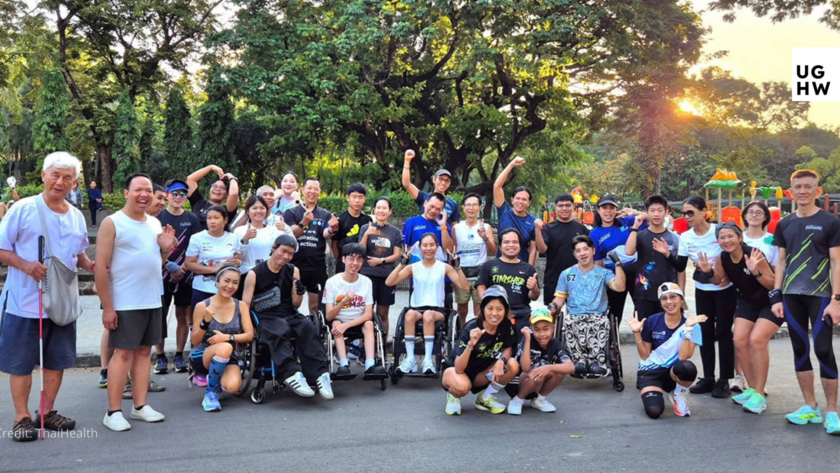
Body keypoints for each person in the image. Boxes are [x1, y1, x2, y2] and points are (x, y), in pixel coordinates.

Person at [0, 152, 93, 441]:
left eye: (67, 177)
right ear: (43, 175)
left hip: (61, 303)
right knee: (21, 362)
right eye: (55, 174)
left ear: (75, 183)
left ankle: (46, 411)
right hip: (24, 302)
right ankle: (22, 416)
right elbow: (2, 249)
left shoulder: (76, 216)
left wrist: (95, 266)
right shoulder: (23, 209)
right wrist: (26, 265)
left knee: (57, 360)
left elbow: (79, 256)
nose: (60, 181)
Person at [96, 173, 177, 432]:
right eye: (138, 189)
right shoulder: (113, 222)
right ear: (126, 192)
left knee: (144, 353)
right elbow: (100, 267)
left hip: (153, 298)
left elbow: (158, 262)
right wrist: (108, 306)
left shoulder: (154, 223)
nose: (144, 194)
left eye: (149, 190)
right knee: (123, 354)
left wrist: (166, 249)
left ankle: (140, 406)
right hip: (125, 301)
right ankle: (113, 411)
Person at [771, 169, 840, 434]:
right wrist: (776, 295)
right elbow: (782, 262)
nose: (802, 191)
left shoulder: (830, 222)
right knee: (800, 349)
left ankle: (832, 412)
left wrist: (836, 300)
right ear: (790, 192)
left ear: (817, 191)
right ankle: (809, 406)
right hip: (791, 296)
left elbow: (836, 262)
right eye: (797, 187)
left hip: (821, 296)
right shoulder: (785, 223)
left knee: (823, 350)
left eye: (808, 187)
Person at [697, 223, 779, 414]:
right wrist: (707, 271)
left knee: (756, 340)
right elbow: (719, 280)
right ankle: (751, 389)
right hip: (748, 302)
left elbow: (773, 284)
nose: (726, 241)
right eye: (722, 237)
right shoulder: (723, 257)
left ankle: (760, 394)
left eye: (730, 236)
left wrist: (755, 271)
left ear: (740, 237)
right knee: (739, 340)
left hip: (770, 302)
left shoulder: (754, 254)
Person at [241, 235, 334, 400]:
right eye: (283, 251)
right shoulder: (254, 274)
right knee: (280, 328)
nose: (286, 257)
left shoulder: (293, 270)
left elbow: (296, 304)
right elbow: (245, 305)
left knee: (307, 326)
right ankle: (291, 373)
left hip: (288, 313)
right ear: (274, 247)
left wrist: (299, 292)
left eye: (290, 254)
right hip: (266, 316)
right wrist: (247, 331)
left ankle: (321, 374)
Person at [675, 196, 737, 398]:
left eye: (691, 212)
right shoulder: (685, 237)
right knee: (706, 334)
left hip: (725, 290)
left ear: (704, 211)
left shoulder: (719, 232)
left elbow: (732, 253)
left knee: (725, 334)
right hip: (702, 290)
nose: (687, 216)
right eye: (684, 213)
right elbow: (680, 266)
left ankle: (724, 380)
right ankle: (708, 377)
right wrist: (666, 254)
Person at [386, 233, 468, 375]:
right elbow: (389, 282)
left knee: (428, 315)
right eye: (425, 245)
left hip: (437, 310)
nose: (428, 248)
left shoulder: (444, 267)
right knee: (409, 315)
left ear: (437, 247)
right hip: (417, 308)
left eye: (432, 245)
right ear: (419, 247)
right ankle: (410, 359)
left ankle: (428, 360)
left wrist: (457, 267)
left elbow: (464, 286)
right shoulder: (414, 267)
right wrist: (401, 263)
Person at [629, 283, 706, 419]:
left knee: (688, 368)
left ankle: (677, 394)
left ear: (681, 300)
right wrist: (636, 332)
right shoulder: (652, 320)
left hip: (673, 372)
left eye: (673, 297)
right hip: (650, 371)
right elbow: (645, 355)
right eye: (664, 298)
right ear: (661, 302)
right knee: (654, 411)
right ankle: (655, 391)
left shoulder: (694, 326)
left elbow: (683, 357)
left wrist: (687, 329)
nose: (669, 302)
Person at [550, 235, 625, 375]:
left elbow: (620, 287)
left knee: (601, 323)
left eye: (586, 249)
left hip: (597, 314)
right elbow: (559, 298)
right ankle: (578, 361)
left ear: (593, 251)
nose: (582, 253)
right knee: (570, 323)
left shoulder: (604, 273)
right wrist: (552, 307)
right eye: (578, 251)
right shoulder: (566, 274)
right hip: (574, 315)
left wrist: (618, 264)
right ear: (574, 254)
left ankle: (596, 362)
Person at [441, 285, 520, 415]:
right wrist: (470, 345)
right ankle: (454, 396)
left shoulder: (506, 326)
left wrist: (501, 360)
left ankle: (485, 398)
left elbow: (507, 348)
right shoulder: (471, 328)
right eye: (490, 308)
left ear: (505, 310)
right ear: (483, 309)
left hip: (481, 373)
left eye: (500, 309)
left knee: (512, 364)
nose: (495, 313)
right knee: (462, 387)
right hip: (457, 372)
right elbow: (459, 368)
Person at [190, 265, 254, 412]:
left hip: (228, 354)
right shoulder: (202, 306)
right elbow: (195, 341)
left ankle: (216, 379)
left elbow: (249, 335)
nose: (230, 286)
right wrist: (205, 321)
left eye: (235, 282)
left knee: (232, 387)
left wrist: (227, 337)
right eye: (226, 281)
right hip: (202, 355)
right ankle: (210, 393)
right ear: (217, 281)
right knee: (225, 347)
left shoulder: (241, 306)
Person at [155, 179, 202, 376]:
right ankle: (160, 357)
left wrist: (181, 269)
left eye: (182, 194)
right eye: (174, 193)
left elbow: (197, 246)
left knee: (183, 316)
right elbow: (152, 246)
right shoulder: (157, 217)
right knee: (159, 316)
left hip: (186, 274)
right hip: (160, 274)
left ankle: (179, 355)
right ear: (167, 195)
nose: (178, 197)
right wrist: (168, 266)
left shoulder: (191, 219)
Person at [730, 200, 779, 392]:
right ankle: (739, 376)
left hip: (765, 294)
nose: (754, 215)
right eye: (751, 212)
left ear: (766, 217)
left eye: (759, 213)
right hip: (741, 294)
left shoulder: (771, 241)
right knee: (739, 336)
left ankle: (759, 384)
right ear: (745, 215)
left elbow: (776, 269)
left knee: (759, 339)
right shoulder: (737, 238)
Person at [323, 243, 386, 376]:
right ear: (344, 259)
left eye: (359, 259)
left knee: (369, 324)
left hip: (359, 320)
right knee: (336, 325)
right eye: (351, 258)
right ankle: (343, 364)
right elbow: (328, 316)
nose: (355, 263)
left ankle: (370, 364)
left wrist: (347, 325)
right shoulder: (332, 282)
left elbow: (368, 314)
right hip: (338, 319)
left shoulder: (366, 282)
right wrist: (344, 302)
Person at [284, 177, 338, 315]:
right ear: (302, 191)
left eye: (316, 189)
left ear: (320, 192)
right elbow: (291, 234)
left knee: (316, 307)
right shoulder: (291, 213)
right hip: (295, 266)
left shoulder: (325, 214)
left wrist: (332, 228)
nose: (312, 191)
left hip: (317, 267)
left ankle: (316, 332)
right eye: (309, 188)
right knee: (293, 304)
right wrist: (304, 222)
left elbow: (326, 234)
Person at [590, 195, 647, 325]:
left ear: (616, 210)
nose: (608, 211)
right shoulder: (595, 233)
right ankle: (612, 343)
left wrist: (635, 213)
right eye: (604, 208)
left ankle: (643, 340)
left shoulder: (627, 221)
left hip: (636, 271)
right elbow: (598, 263)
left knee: (642, 309)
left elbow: (658, 220)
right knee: (614, 313)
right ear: (598, 210)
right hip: (613, 274)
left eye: (612, 208)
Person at [624, 195, 682, 320]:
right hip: (644, 293)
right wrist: (635, 227)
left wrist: (680, 293)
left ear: (666, 212)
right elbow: (629, 251)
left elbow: (680, 269)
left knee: (669, 333)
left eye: (660, 210)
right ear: (646, 213)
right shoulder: (639, 235)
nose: (656, 214)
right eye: (652, 210)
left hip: (668, 295)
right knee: (644, 331)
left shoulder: (675, 238)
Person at [508, 308, 575, 415]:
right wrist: (527, 339)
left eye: (545, 329)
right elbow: (525, 367)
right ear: (531, 329)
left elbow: (571, 367)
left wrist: (548, 367)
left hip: (537, 381)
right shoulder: (527, 339)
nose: (542, 334)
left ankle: (538, 400)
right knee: (537, 373)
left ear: (553, 328)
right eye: (537, 330)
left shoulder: (554, 343)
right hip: (517, 383)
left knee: (557, 372)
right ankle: (517, 399)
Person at [477, 228, 540, 327]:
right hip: (496, 313)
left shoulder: (528, 269)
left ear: (520, 245)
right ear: (500, 246)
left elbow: (534, 296)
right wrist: (488, 305)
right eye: (506, 242)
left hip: (521, 313)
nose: (511, 245)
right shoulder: (488, 266)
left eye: (515, 242)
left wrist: (534, 288)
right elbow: (481, 287)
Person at [233, 195, 293, 298]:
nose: (258, 211)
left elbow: (291, 246)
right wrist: (245, 239)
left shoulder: (274, 231)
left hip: (269, 275)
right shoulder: (239, 231)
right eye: (254, 208)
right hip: (246, 274)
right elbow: (236, 255)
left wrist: (287, 229)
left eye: (262, 208)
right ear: (248, 211)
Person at [358, 197, 402, 337]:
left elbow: (397, 255)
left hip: (387, 276)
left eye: (384, 208)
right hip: (367, 275)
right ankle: (365, 348)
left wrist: (381, 260)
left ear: (390, 211)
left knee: (383, 313)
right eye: (378, 207)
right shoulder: (366, 228)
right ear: (374, 210)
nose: (381, 211)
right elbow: (360, 250)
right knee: (366, 313)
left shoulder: (395, 232)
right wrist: (366, 235)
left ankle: (382, 344)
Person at [536, 193, 590, 306]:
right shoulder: (548, 229)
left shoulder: (582, 229)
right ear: (555, 207)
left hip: (578, 279)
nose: (564, 208)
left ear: (573, 207)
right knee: (552, 314)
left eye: (568, 205)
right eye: (560, 205)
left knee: (577, 313)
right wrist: (537, 230)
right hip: (554, 278)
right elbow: (542, 249)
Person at [184, 206, 242, 311]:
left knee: (226, 324)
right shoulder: (197, 238)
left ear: (225, 220)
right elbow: (189, 263)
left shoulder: (233, 238)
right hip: (202, 288)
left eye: (216, 218)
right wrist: (213, 269)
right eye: (209, 218)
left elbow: (238, 259)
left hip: (227, 289)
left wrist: (237, 263)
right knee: (201, 323)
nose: (212, 221)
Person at [452, 192, 496, 325]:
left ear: (480, 207)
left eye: (474, 205)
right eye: (468, 205)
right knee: (462, 309)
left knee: (479, 309)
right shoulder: (456, 228)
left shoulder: (486, 227)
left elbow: (493, 251)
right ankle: (461, 333)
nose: (471, 208)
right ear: (463, 207)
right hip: (462, 273)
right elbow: (452, 251)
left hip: (480, 274)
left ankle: (477, 333)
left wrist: (484, 237)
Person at [493, 156, 536, 265]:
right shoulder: (504, 212)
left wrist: (529, 270)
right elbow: (497, 186)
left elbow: (533, 249)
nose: (520, 201)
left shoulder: (533, 222)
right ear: (512, 200)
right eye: (517, 198)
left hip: (522, 265)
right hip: (501, 265)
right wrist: (511, 165)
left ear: (529, 202)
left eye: (524, 199)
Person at [402, 149, 460, 223]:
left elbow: (454, 227)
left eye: (446, 181)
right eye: (441, 179)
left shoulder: (452, 204)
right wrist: (407, 160)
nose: (443, 183)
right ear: (434, 180)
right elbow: (406, 184)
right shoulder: (423, 197)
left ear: (449, 183)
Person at [186, 164, 239, 231]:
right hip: (195, 241)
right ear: (209, 190)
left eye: (222, 188)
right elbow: (190, 179)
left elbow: (234, 194)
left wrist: (232, 178)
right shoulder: (198, 202)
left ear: (226, 195)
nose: (217, 189)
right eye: (214, 186)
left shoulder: (227, 210)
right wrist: (211, 167)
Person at [402, 192, 454, 260]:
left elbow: (449, 250)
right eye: (431, 206)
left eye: (438, 209)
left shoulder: (444, 225)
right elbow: (404, 247)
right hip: (418, 267)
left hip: (439, 267)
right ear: (425, 203)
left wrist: (443, 227)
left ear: (442, 211)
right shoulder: (412, 222)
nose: (433, 211)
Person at [333, 183, 372, 273]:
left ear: (364, 199)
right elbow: (334, 244)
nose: (357, 201)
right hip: (343, 264)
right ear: (348, 198)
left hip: (361, 264)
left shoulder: (368, 220)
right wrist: (342, 260)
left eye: (360, 197)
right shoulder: (340, 219)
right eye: (354, 197)